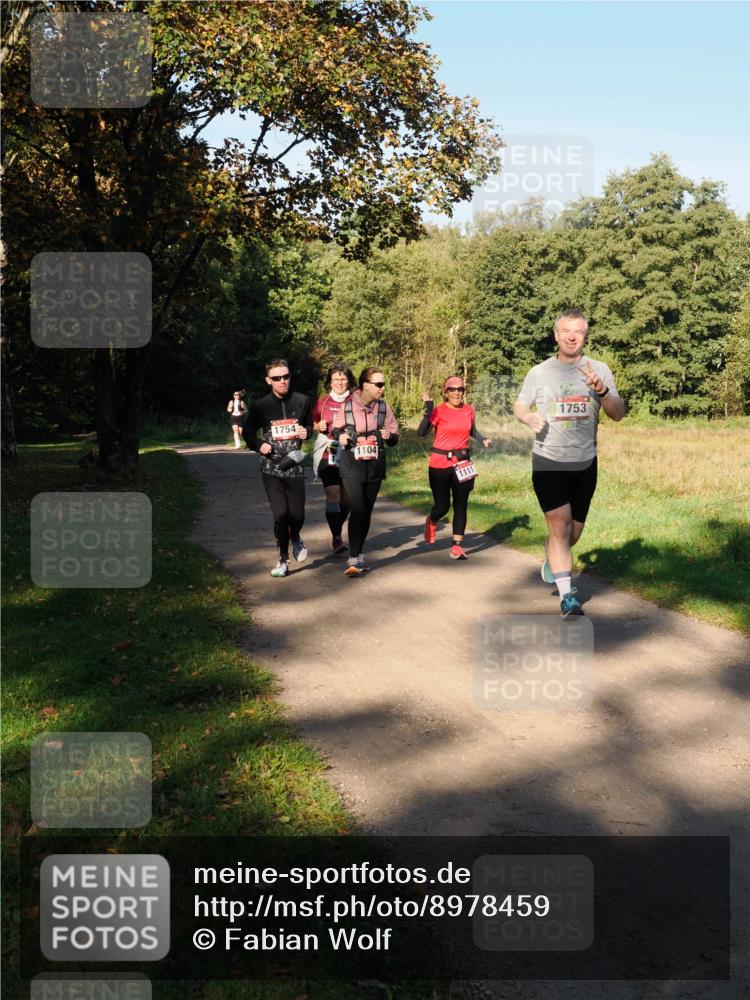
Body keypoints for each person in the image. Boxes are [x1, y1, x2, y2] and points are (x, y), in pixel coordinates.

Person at [513, 309, 625, 617]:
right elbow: (520, 404)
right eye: (566, 331)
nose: (572, 336)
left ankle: (553, 556)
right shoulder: (539, 371)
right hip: (548, 460)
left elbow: (618, 413)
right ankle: (567, 597)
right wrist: (527, 415)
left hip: (585, 463)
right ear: (556, 335)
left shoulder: (599, 369)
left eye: (577, 331)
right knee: (560, 526)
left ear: (585, 336)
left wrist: (601, 390)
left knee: (572, 533)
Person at [246, 359, 313, 578]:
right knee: (281, 515)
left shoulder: (302, 400)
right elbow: (248, 432)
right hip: (271, 467)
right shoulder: (261, 405)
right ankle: (283, 559)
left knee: (297, 514)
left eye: (285, 376)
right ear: (268, 380)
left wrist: (307, 432)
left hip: (295, 464)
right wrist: (259, 445)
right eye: (276, 378)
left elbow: (309, 426)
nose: (282, 381)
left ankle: (296, 538)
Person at [331, 366, 399, 576]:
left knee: (367, 511)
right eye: (379, 384)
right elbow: (335, 429)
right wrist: (339, 437)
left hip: (375, 465)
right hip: (351, 464)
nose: (383, 388)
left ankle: (359, 554)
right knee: (358, 508)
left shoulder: (384, 408)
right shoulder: (348, 406)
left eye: (383, 384)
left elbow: (395, 438)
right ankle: (353, 557)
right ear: (365, 385)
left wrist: (389, 436)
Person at [418, 376, 491, 559]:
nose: (456, 392)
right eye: (452, 389)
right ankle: (432, 519)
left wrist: (482, 439)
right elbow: (422, 432)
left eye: (460, 389)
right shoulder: (438, 411)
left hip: (463, 463)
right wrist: (428, 409)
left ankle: (457, 546)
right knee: (442, 506)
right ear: (446, 392)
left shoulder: (469, 411)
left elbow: (471, 429)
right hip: (439, 464)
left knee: (461, 504)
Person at [312, 364, 356, 554]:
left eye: (343, 379)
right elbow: (310, 423)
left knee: (347, 499)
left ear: (349, 380)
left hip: (351, 450)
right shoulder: (322, 401)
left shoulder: (357, 400)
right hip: (328, 449)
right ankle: (337, 536)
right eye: (336, 379)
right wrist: (317, 426)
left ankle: (337, 530)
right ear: (329, 381)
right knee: (333, 493)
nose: (339, 382)